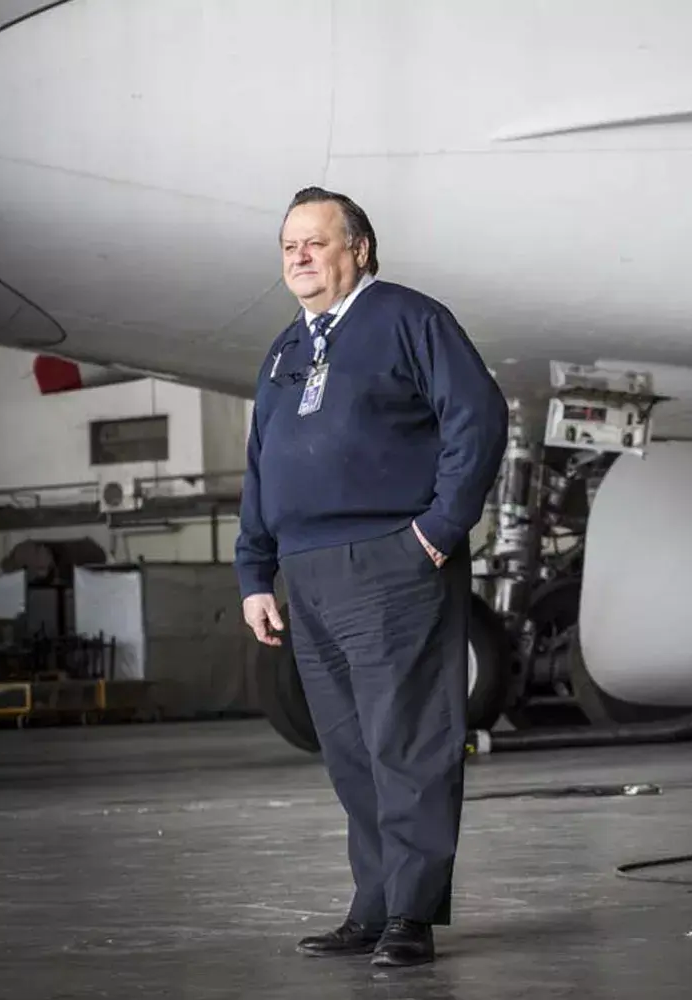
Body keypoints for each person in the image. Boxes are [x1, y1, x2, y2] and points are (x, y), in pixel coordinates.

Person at [235, 186, 508, 968]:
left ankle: (411, 916)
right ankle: (376, 903)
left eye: (315, 242)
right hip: (307, 574)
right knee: (351, 751)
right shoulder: (286, 348)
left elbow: (477, 419)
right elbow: (262, 468)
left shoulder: (408, 319)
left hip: (393, 558)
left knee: (408, 743)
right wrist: (255, 571)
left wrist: (437, 531)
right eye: (288, 245)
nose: (298, 256)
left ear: (357, 249)